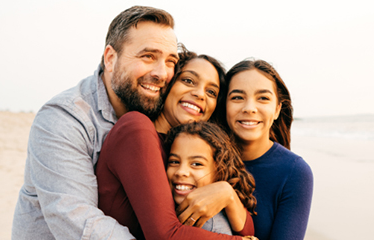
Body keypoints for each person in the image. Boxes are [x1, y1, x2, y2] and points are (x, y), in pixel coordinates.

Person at [12, 6, 180, 239]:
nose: (162, 73)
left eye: (171, 61)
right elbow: (77, 220)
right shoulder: (63, 118)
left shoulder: (155, 110)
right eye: (148, 56)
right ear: (110, 58)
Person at [95, 50, 257, 239]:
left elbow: (247, 229)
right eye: (188, 81)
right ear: (167, 84)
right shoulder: (137, 128)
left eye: (211, 92)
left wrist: (228, 194)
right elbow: (164, 235)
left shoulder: (186, 150)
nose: (199, 94)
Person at [216, 59, 314, 240]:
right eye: (237, 97)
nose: (249, 108)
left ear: (277, 110)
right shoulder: (205, 159)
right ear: (224, 106)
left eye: (263, 98)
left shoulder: (295, 173)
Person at [164, 121, 257, 235]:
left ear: (219, 171)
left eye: (196, 164)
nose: (181, 171)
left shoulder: (208, 225)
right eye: (174, 162)